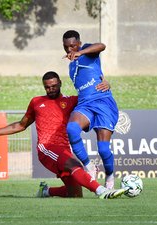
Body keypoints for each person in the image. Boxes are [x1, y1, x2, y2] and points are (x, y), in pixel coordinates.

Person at [0, 71, 127, 199]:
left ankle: (46, 191)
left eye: (54, 86)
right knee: (74, 165)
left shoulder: (71, 101)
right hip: (47, 148)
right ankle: (102, 191)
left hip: (64, 150)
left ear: (60, 83)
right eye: (47, 87)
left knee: (75, 194)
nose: (51, 89)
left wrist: (107, 85)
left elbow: (93, 97)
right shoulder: (36, 102)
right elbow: (21, 125)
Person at [62, 30, 119, 189]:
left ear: (79, 44)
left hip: (103, 102)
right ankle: (89, 166)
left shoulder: (87, 50)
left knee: (103, 148)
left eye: (73, 46)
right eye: (66, 47)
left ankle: (109, 175)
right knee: (72, 129)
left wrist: (81, 52)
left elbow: (102, 46)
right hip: (85, 104)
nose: (70, 50)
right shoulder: (71, 66)